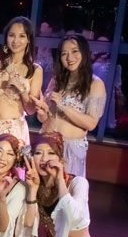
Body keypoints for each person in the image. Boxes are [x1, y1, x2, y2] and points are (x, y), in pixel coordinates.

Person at [0, 16, 43, 172]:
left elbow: (31, 110)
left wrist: (22, 91)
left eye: (21, 36)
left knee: (7, 177)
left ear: (28, 39)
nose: (16, 40)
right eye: (12, 35)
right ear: (6, 38)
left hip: (12, 131)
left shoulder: (35, 70)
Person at [35, 34, 106, 177]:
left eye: (74, 51)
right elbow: (44, 118)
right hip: (46, 144)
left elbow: (91, 123)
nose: (69, 57)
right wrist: (42, 113)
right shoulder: (56, 80)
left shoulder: (95, 84)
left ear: (84, 53)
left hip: (69, 149)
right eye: (64, 54)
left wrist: (63, 106)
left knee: (65, 188)